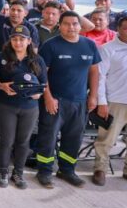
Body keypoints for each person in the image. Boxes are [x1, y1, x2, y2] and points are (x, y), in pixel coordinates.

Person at [36, 11, 101, 188]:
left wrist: (93, 96)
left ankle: (67, 170)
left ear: (80, 26)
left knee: (74, 138)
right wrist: (48, 97)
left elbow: (94, 71)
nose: (71, 27)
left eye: (74, 24)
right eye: (66, 24)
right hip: (55, 101)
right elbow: (42, 74)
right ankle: (44, 171)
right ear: (60, 25)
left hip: (80, 102)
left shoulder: (89, 45)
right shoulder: (50, 46)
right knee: (48, 138)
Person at [0, 26, 47, 189]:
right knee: (6, 140)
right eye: (14, 39)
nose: (18, 42)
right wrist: (2, 86)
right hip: (7, 105)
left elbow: (43, 84)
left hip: (29, 107)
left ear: (29, 41)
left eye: (22, 39)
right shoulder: (1, 57)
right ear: (10, 40)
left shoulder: (37, 60)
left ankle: (18, 172)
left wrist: (39, 94)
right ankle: (3, 171)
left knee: (23, 141)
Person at [92, 16, 127, 185]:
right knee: (107, 139)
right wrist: (102, 101)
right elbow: (99, 77)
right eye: (126, 28)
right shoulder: (107, 49)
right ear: (118, 29)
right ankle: (100, 169)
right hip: (115, 101)